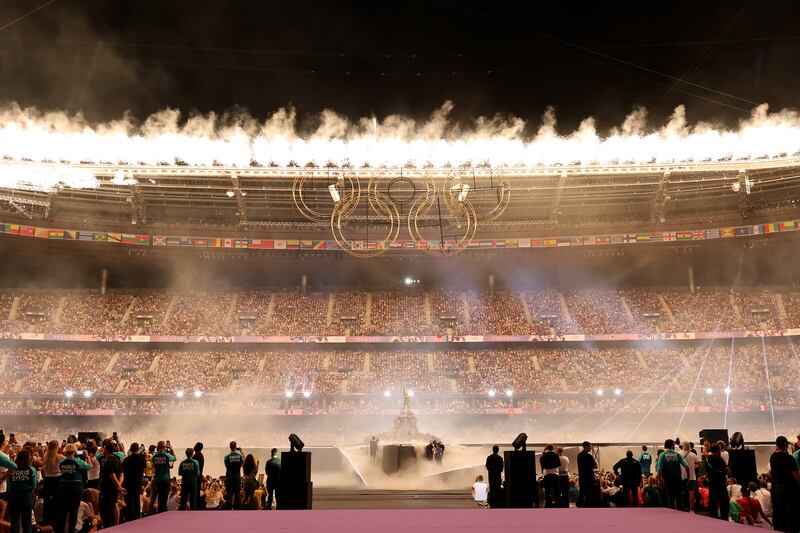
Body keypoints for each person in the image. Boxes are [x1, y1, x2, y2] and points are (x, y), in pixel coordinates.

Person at [56, 443, 92, 533]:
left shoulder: (62, 462)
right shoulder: (78, 461)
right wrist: (87, 457)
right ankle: (71, 530)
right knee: (74, 510)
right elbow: (89, 467)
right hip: (76, 486)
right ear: (75, 451)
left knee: (63, 510)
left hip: (63, 486)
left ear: (65, 451)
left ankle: (60, 530)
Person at [769, 435, 800, 532]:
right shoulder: (789, 458)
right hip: (789, 488)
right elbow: (795, 475)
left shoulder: (772, 457)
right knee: (791, 511)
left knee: (781, 510)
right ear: (786, 445)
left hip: (777, 487)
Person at [8, 448, 36, 533]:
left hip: (14, 495)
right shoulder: (32, 470)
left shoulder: (12, 469)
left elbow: (10, 485)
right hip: (27, 496)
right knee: (27, 522)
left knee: (14, 521)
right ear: (28, 458)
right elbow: (33, 485)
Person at [655, 439, 688, 510]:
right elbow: (686, 466)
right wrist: (688, 477)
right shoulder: (677, 455)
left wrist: (659, 480)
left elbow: (659, 469)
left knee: (670, 500)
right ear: (672, 445)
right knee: (679, 499)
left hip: (668, 481)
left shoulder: (662, 455)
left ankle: (672, 518)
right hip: (678, 480)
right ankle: (682, 516)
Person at [98, 442, 125, 528]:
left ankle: (108, 527)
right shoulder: (117, 459)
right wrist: (119, 486)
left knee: (105, 510)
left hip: (107, 489)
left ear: (106, 450)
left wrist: (119, 486)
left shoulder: (108, 460)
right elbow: (121, 474)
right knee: (114, 505)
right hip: (114, 489)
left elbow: (111, 474)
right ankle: (115, 526)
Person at [41, 440, 63, 526]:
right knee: (57, 502)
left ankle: (47, 521)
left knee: (47, 502)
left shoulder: (45, 457)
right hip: (57, 481)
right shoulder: (60, 457)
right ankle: (56, 522)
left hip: (47, 481)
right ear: (57, 447)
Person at [705, 443, 730, 521]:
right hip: (720, 483)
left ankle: (713, 517)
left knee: (713, 501)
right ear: (717, 450)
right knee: (724, 501)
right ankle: (724, 518)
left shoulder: (706, 459)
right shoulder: (718, 459)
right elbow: (728, 472)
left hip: (711, 482)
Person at [122, 442, 146, 521]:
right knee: (136, 498)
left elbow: (123, 470)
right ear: (138, 449)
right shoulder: (142, 459)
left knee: (129, 500)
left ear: (131, 449)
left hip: (128, 482)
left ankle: (130, 517)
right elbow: (143, 469)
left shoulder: (127, 459)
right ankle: (137, 515)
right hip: (137, 481)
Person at [152, 441, 175, 513]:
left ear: (157, 447)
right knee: (164, 498)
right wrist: (171, 449)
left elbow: (154, 466)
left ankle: (159, 512)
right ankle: (163, 513)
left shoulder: (154, 456)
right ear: (164, 447)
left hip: (158, 479)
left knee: (159, 498)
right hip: (165, 479)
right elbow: (174, 458)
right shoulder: (167, 455)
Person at [223, 441, 244, 510]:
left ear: (230, 447)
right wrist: (241, 452)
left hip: (229, 477)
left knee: (229, 494)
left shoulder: (227, 456)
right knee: (237, 494)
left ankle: (228, 509)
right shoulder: (240, 456)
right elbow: (243, 463)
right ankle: (237, 509)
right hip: (237, 477)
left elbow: (226, 465)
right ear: (236, 446)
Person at [680, 441, 699, 513]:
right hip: (692, 476)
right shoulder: (693, 455)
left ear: (683, 446)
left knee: (681, 493)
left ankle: (682, 508)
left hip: (682, 476)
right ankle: (692, 510)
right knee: (691, 493)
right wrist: (694, 466)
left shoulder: (679, 454)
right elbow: (699, 465)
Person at [576, 441, 597, 508]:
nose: (590, 448)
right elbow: (595, 466)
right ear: (586, 447)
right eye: (590, 446)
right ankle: (587, 507)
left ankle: (580, 505)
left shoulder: (579, 455)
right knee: (589, 493)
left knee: (581, 493)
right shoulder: (589, 456)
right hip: (589, 477)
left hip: (582, 477)